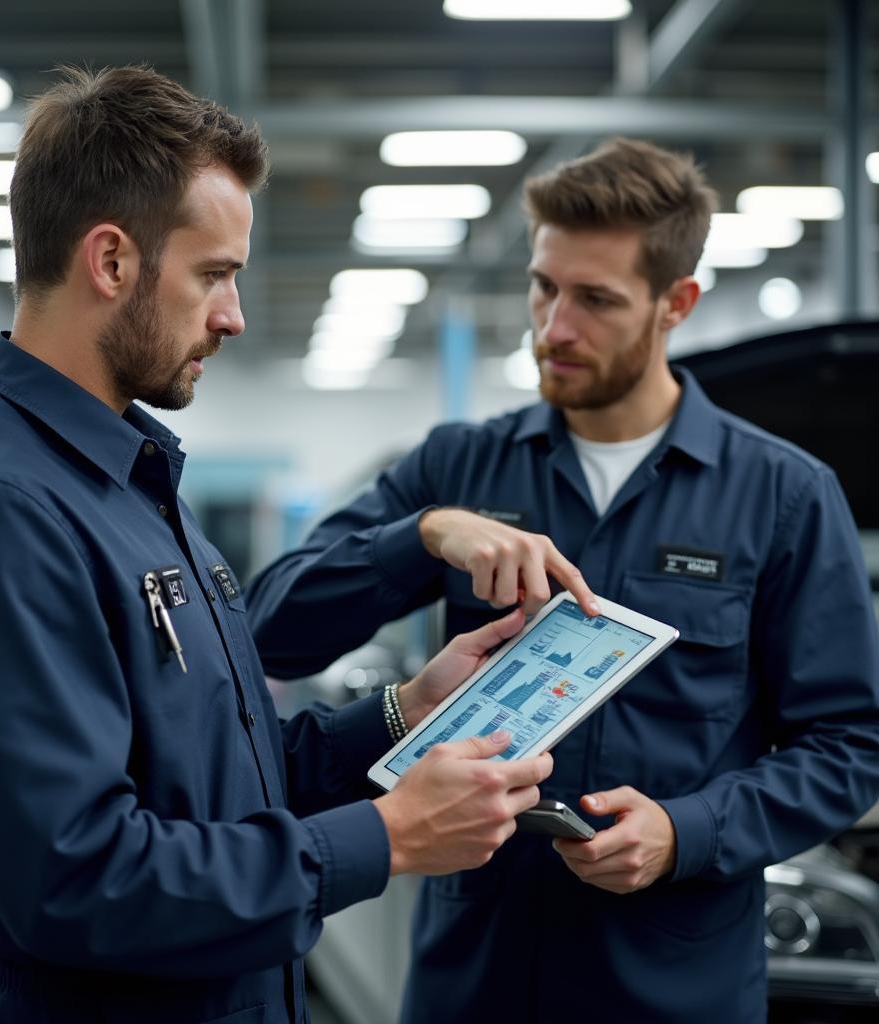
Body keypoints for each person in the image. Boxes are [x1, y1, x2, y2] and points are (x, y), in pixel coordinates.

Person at [0, 66, 556, 1024]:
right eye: (215, 274)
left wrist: (402, 713)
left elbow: (226, 779)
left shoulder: (128, 479)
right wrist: (386, 837)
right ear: (111, 262)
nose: (231, 314)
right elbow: (79, 879)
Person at [247, 138, 879, 1023]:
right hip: (476, 976)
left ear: (677, 303)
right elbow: (268, 627)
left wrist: (684, 832)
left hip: (670, 982)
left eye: (596, 300)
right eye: (544, 287)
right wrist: (423, 534)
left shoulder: (782, 497)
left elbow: (848, 745)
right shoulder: (460, 466)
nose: (554, 327)